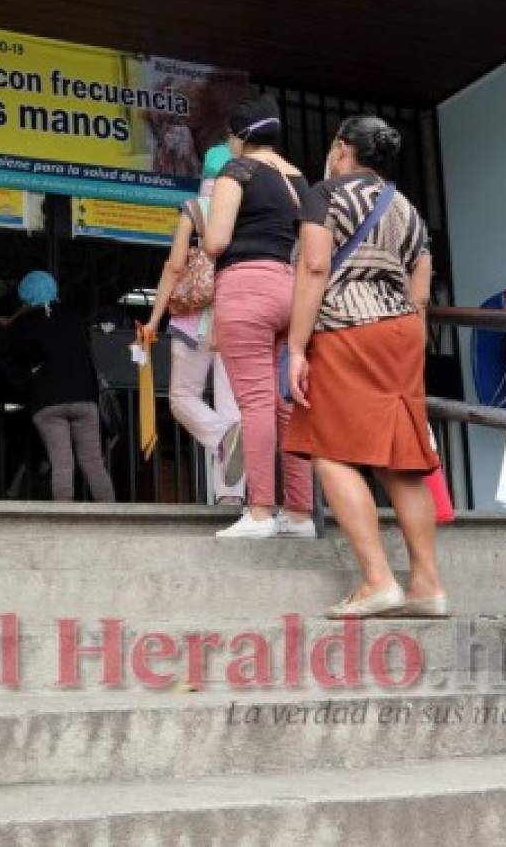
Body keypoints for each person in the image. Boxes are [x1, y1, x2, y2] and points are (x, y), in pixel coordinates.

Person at [285, 115, 445, 619]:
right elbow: (420, 293)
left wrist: (294, 347)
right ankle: (426, 585)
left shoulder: (325, 193)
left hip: (344, 327)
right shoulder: (409, 210)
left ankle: (378, 580)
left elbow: (313, 267)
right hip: (401, 334)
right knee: (402, 461)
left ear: (341, 148)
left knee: (329, 450)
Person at [203, 94, 315, 539]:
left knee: (254, 403)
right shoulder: (298, 179)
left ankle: (261, 512)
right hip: (292, 289)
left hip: (246, 288)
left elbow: (215, 242)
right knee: (286, 404)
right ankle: (301, 514)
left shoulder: (238, 171)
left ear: (241, 136)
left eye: (231, 136)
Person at [142, 143, 245, 505]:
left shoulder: (195, 208)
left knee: (182, 398)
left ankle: (220, 438)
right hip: (238, 320)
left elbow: (174, 267)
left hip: (194, 321)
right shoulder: (249, 211)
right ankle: (232, 496)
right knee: (233, 405)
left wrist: (154, 319)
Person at [0, 271, 116, 502]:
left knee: (62, 462)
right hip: (83, 397)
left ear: (25, 297)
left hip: (47, 400)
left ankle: (65, 521)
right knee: (93, 462)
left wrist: (27, 377)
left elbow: (8, 355)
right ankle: (112, 516)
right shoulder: (74, 317)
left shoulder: (23, 324)